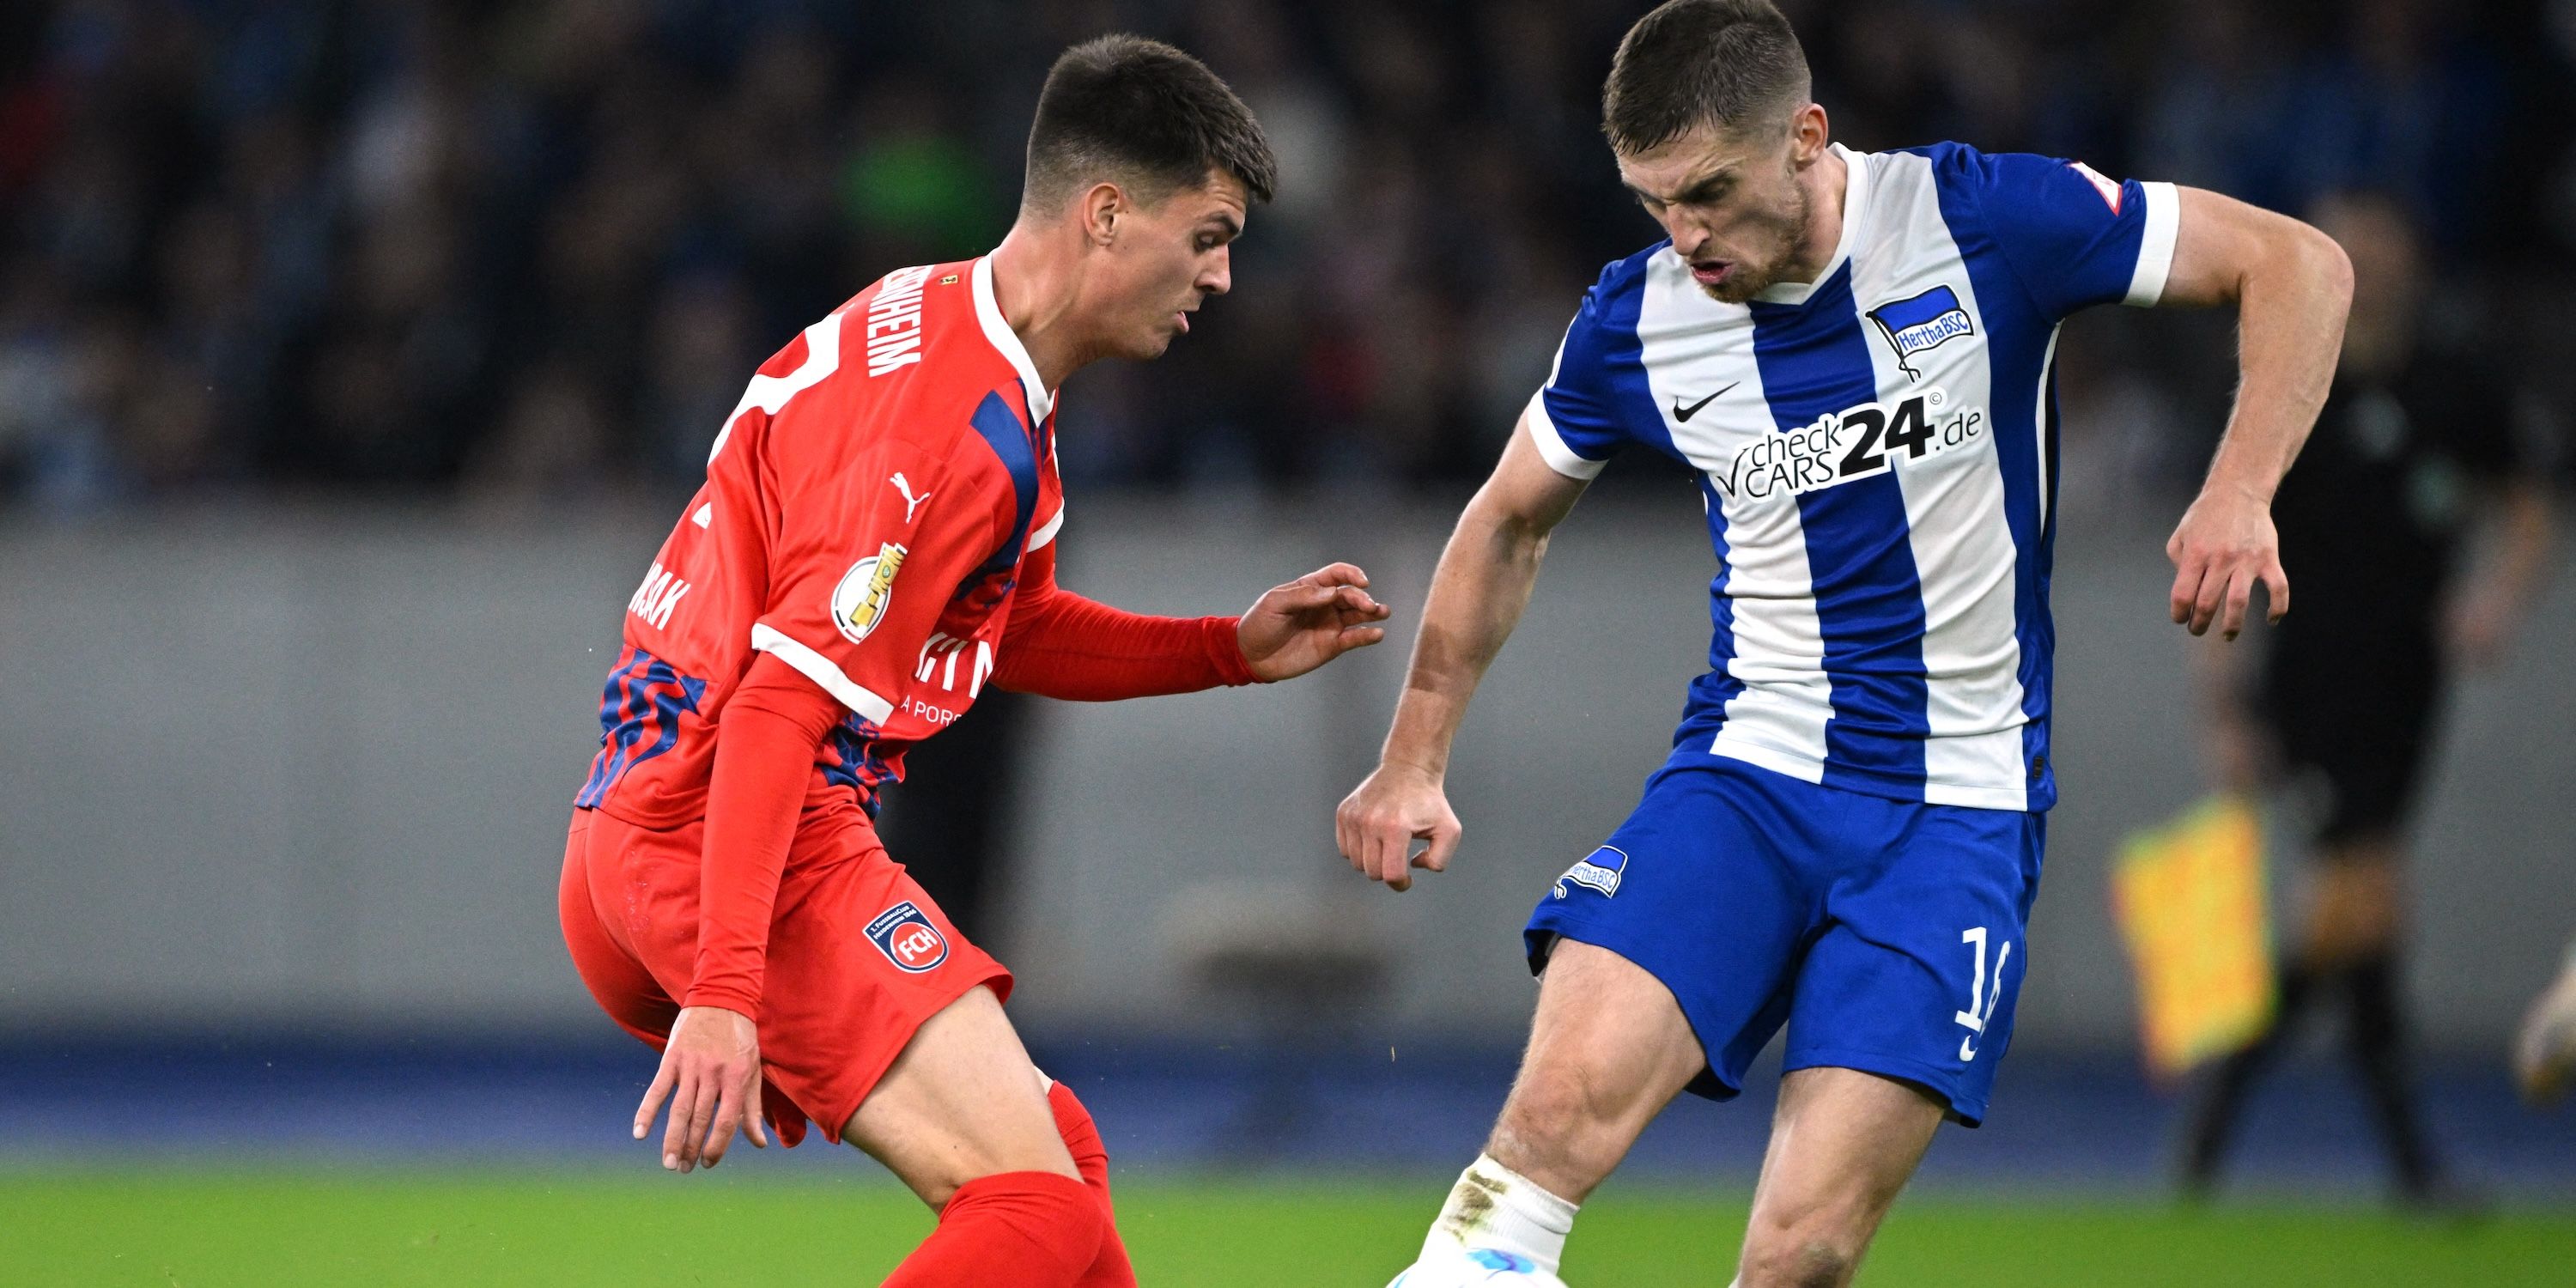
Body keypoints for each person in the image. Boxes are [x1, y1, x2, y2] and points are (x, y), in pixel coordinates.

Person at [1334, 2, 2352, 1284]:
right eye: (1655, 203)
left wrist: (2239, 486)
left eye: (1709, 191)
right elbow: (1504, 524)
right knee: (1541, 1136)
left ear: (1807, 136)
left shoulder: (1985, 221)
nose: (1686, 234)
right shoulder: (1634, 320)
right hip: (1749, 779)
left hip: (1957, 811)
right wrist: (1413, 756)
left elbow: (2302, 265)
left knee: (1799, 1255)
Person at [556, 37, 1389, 1288]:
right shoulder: (948, 426)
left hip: (657, 827)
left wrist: (1226, 650)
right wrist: (727, 991)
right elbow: (781, 707)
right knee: (1034, 1210)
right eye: (1207, 235)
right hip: (729, 837)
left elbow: (1001, 626)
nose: (1220, 278)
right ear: (1106, 213)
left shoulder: (954, 323)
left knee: (1063, 1168)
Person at [2181, 191, 2555, 1206]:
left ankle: (2240, 1108)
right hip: (2309, 686)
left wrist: (2496, 598)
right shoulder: (2294, 391)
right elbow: (2223, 537)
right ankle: (2403, 1164)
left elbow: (2526, 498)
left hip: (2408, 691)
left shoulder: (2451, 388)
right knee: (2366, 899)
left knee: (2359, 914)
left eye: (2387, 252)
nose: (2373, 271)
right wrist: (2224, 705)